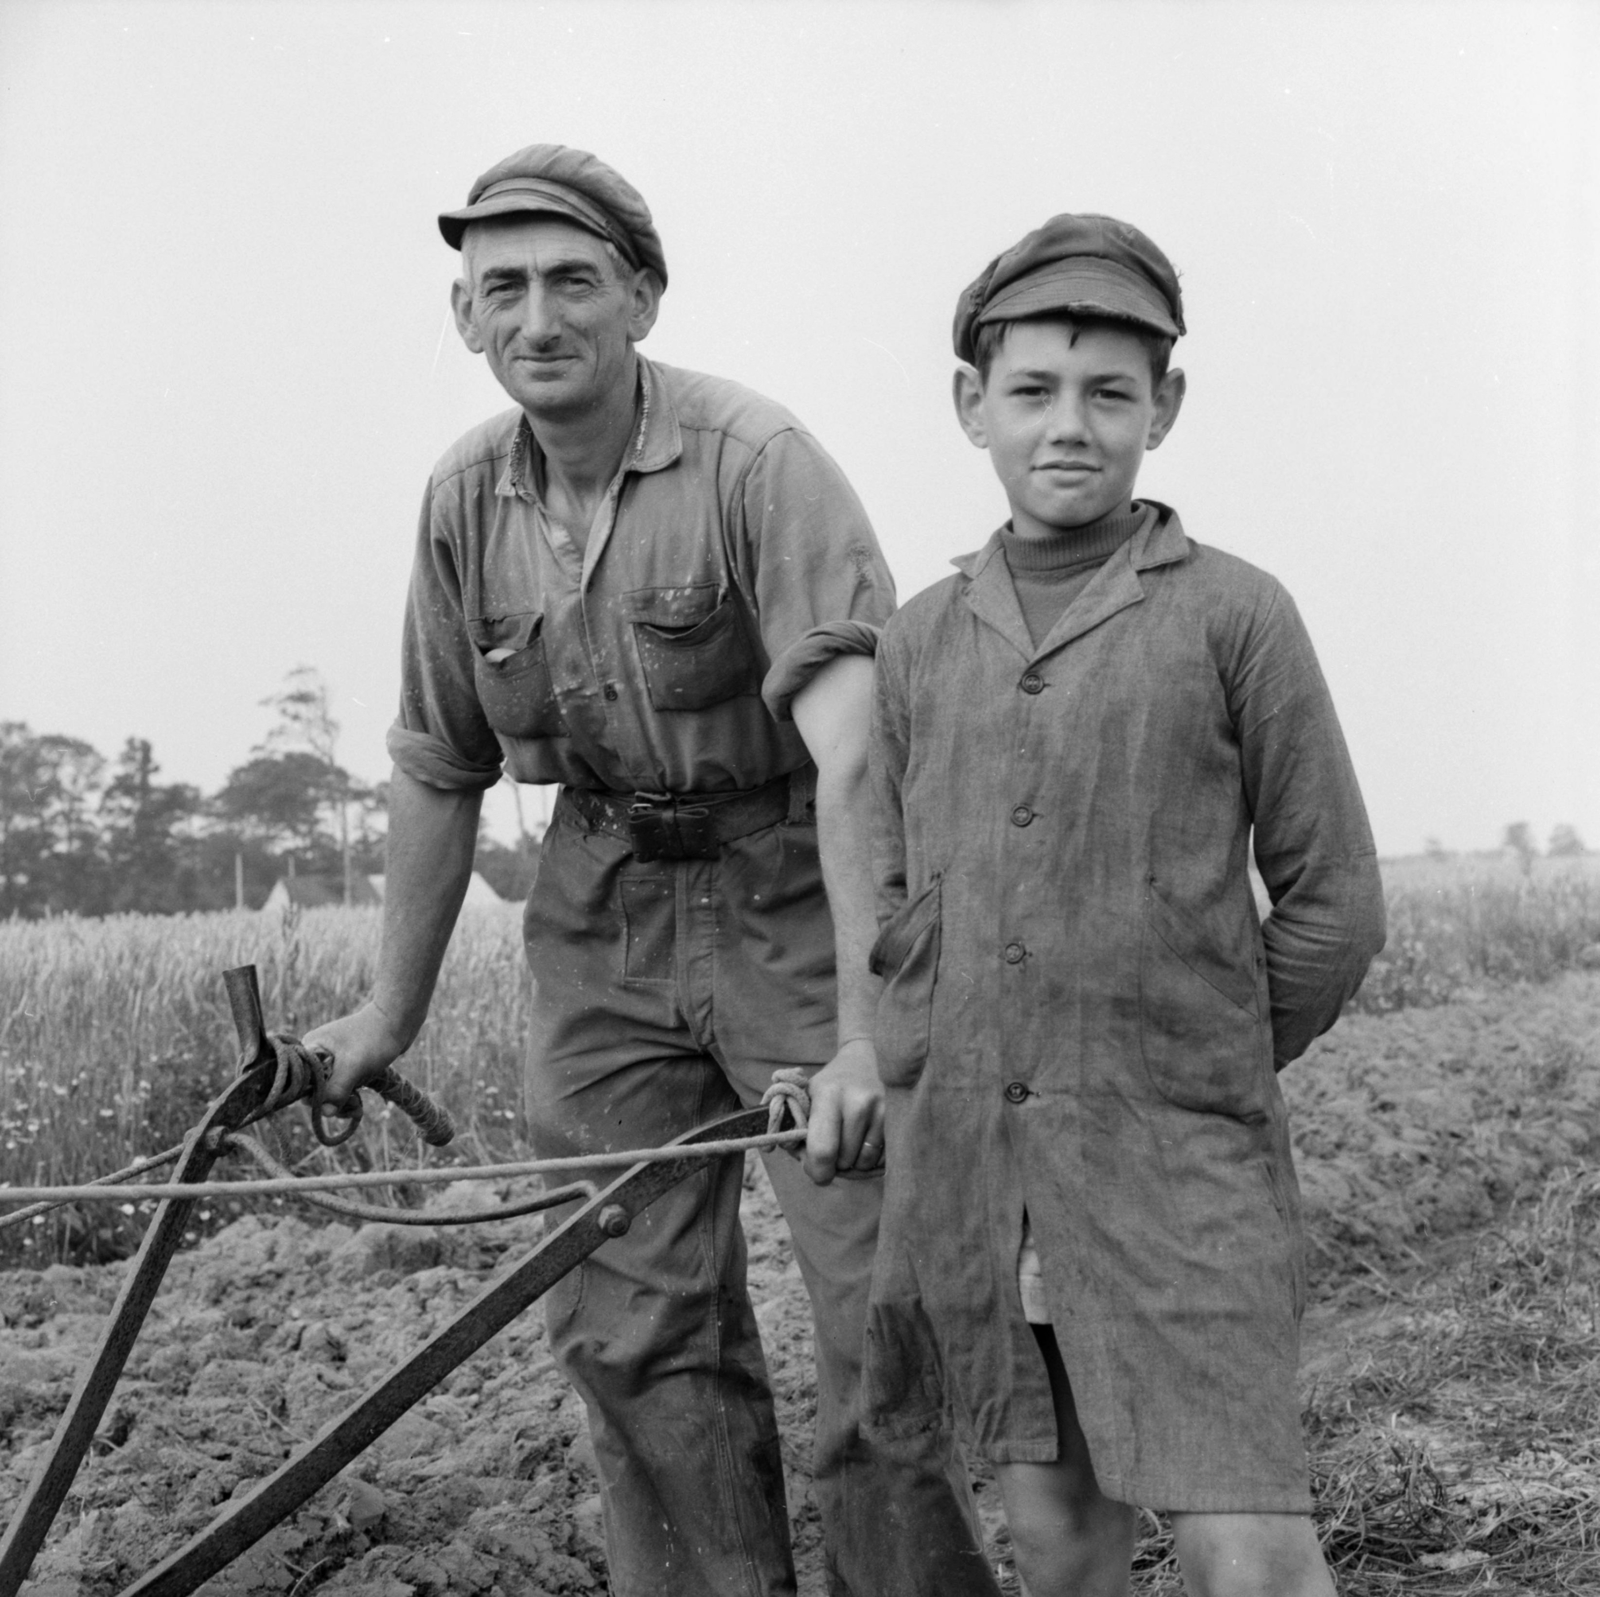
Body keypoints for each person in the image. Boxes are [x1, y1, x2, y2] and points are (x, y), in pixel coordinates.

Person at [304, 143, 997, 1597]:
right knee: (628, 1319)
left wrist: (872, 1034)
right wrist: (387, 1015)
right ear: (463, 315)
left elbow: (859, 761)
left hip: (799, 882)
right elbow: (439, 761)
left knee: (881, 1300)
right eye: (505, 289)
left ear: (642, 299)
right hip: (602, 903)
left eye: (573, 282)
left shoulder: (758, 465)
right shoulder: (459, 505)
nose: (539, 319)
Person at [860, 213, 1387, 1597]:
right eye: (1032, 391)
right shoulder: (919, 640)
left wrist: (1189, 1061)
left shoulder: (1234, 615)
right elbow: (900, 909)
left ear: (1167, 404)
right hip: (985, 1178)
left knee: (1247, 1544)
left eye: (1110, 392)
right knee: (1060, 1535)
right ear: (972, 405)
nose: (1070, 426)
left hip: (1179, 1174)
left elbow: (1335, 904)